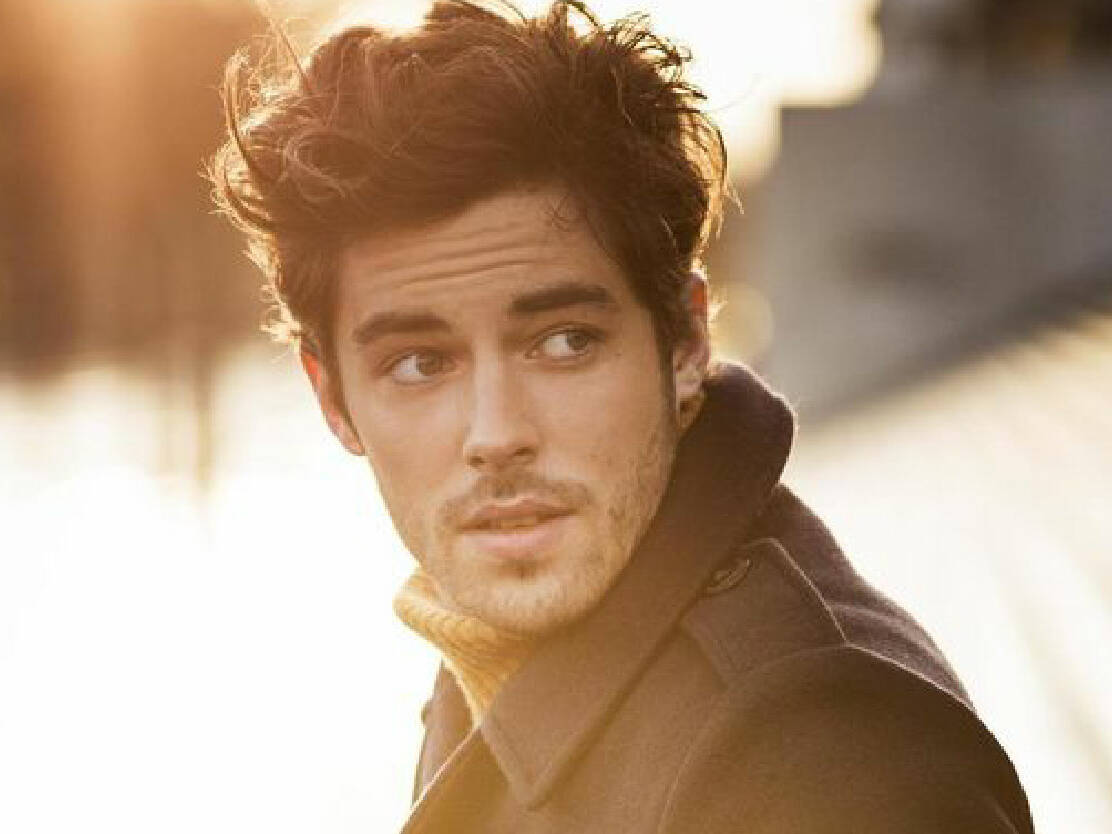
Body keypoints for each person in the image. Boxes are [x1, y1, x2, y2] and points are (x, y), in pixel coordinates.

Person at [211, 1, 1034, 831]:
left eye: (564, 342)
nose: (497, 435)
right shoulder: (492, 644)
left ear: (685, 342)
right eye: (420, 364)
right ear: (333, 399)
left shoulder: (822, 755)